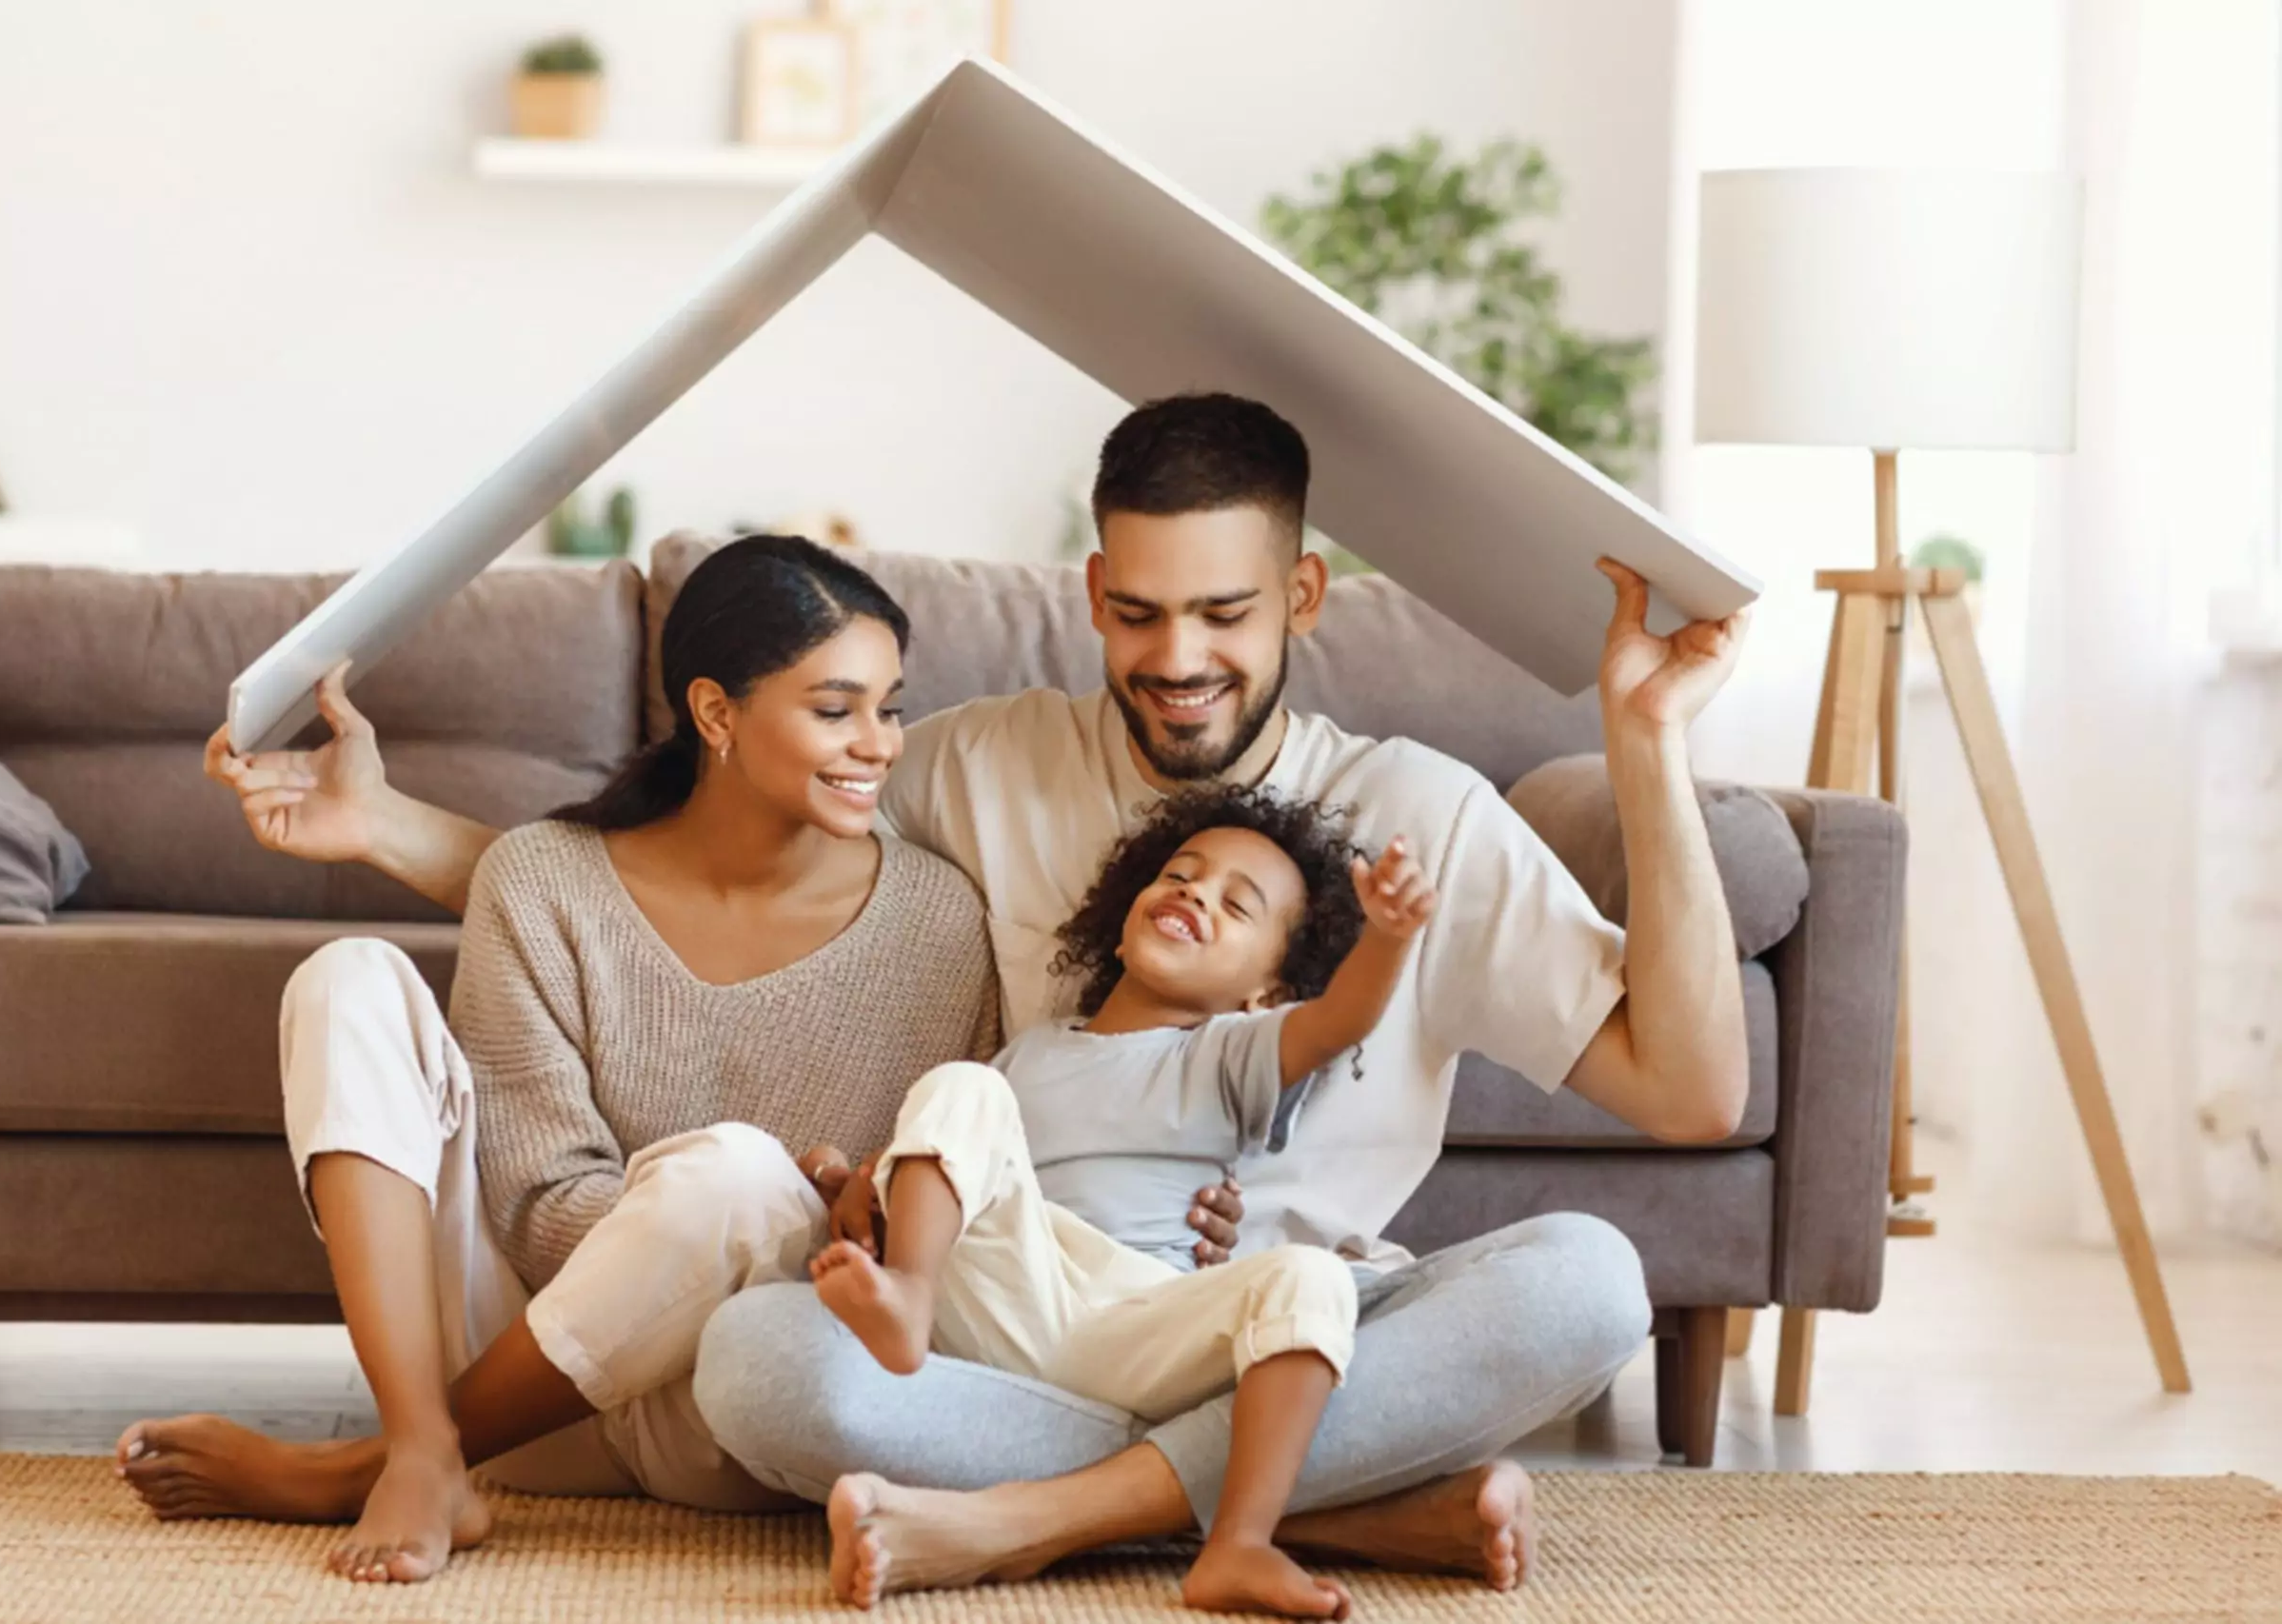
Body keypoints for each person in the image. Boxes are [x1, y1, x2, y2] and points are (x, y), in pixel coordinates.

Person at [179, 391, 1749, 1598]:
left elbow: (1690, 1092)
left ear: (1308, 598)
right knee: (760, 1367)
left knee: (1588, 1283)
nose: (1177, 656)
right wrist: (386, 829)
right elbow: (697, 866)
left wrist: (1647, 744)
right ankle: (1311, 1500)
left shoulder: (1421, 815)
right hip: (1014, 1334)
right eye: (1138, 612)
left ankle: (1040, 1521)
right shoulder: (979, 764)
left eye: (1225, 614)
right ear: (1091, 589)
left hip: (1291, 1324)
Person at [113, 536, 1003, 1583]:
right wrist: (667, 1224)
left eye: (890, 706)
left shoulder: (938, 919)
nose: (879, 744)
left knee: (736, 1174)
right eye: (835, 707)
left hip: (735, 1402)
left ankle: (380, 1462)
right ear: (717, 713)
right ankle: (419, 1436)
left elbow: (936, 1197)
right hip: (532, 1382)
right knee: (347, 975)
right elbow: (534, 1206)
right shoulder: (541, 876)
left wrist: (827, 1205)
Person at [807, 788, 1434, 1616]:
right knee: (961, 1085)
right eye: (1180, 874)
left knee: (1310, 1279)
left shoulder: (1226, 1054)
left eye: (1235, 905)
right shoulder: (1030, 1050)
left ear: (1266, 991)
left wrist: (1388, 938)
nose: (1195, 894)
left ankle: (1239, 1544)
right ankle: (908, 1299)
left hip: (1132, 1316)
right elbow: (947, 1155)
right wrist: (851, 1183)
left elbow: (1341, 1020)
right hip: (1005, 1296)